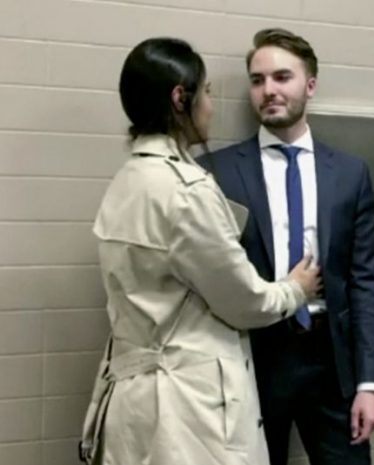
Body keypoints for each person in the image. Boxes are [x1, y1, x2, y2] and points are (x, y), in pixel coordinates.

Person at [78, 37, 321, 465]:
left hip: (134, 402)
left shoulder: (128, 180)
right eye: (206, 92)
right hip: (184, 411)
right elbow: (245, 301)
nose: (210, 106)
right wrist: (295, 289)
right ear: (180, 99)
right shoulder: (185, 192)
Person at [200, 28, 374, 465]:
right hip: (254, 356)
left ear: (310, 85)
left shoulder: (350, 174)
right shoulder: (215, 172)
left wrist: (369, 384)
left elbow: (365, 281)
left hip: (330, 358)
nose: (269, 90)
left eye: (282, 77)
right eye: (258, 80)